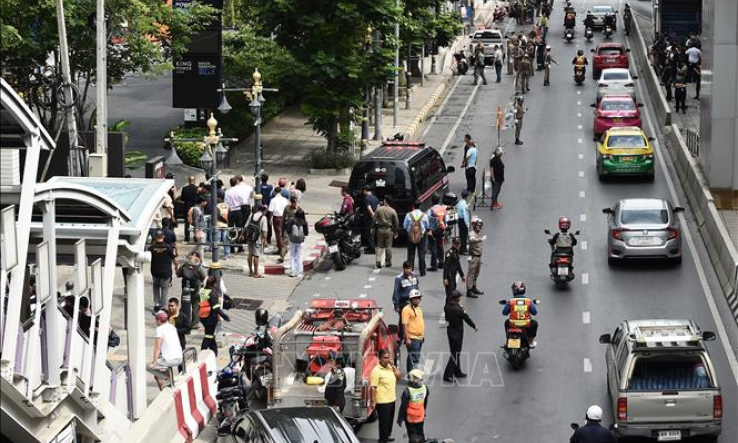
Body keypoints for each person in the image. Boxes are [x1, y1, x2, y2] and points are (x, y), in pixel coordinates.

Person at [443, 290, 478, 383]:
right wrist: (474, 326)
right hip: (457, 333)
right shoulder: (458, 309)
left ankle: (457, 371)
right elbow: (466, 318)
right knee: (455, 354)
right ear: (457, 298)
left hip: (450, 331)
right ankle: (447, 374)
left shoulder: (447, 307)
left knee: (455, 352)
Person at [371, 349, 401, 443]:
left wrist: (393, 366)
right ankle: (382, 439)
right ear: (380, 358)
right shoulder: (376, 370)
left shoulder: (390, 367)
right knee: (384, 422)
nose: (387, 359)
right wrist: (373, 402)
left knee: (389, 421)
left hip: (392, 399)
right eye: (385, 357)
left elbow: (399, 377)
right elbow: (373, 388)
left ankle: (386, 436)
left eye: (388, 357)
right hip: (383, 401)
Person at [148, 310, 183, 390]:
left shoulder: (160, 329)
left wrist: (154, 362)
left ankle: (167, 379)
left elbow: (157, 347)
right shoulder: (172, 327)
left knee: (148, 366)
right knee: (157, 374)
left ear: (158, 320)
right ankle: (166, 381)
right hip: (179, 358)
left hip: (170, 360)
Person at [198, 275, 230, 355]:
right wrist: (225, 316)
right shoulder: (211, 293)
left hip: (202, 316)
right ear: (214, 284)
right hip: (210, 317)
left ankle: (214, 352)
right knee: (208, 336)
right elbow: (216, 308)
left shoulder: (201, 290)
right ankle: (202, 352)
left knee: (211, 335)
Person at [502, 281, 539, 348]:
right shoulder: (529, 301)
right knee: (534, 323)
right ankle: (530, 342)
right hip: (526, 324)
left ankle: (507, 341)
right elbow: (534, 312)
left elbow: (504, 313)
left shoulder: (510, 301)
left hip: (513, 324)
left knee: (506, 322)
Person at [176, 251, 207, 329]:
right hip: (196, 289)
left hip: (185, 288)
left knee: (184, 305)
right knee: (195, 306)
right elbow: (204, 278)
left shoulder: (184, 266)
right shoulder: (199, 268)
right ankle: (195, 323)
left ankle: (182, 321)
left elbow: (178, 274)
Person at [397, 368, 429, 442]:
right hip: (420, 417)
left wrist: (400, 419)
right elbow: (425, 402)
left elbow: (403, 407)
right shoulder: (425, 389)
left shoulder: (407, 391)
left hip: (410, 418)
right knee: (420, 433)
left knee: (412, 436)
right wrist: (424, 412)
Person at [393, 261, 420, 342]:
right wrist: (396, 306)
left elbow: (417, 288)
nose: (409, 271)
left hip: (413, 302)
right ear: (404, 269)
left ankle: (409, 336)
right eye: (407, 269)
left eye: (410, 269)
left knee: (412, 320)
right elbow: (396, 292)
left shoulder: (415, 276)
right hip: (403, 303)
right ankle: (399, 338)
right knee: (403, 321)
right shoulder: (399, 279)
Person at [150, 230, 176, 311]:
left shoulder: (151, 248)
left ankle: (156, 304)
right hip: (166, 272)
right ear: (163, 237)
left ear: (155, 237)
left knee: (156, 287)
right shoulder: (168, 247)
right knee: (164, 289)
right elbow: (173, 258)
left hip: (155, 271)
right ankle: (163, 306)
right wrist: (176, 266)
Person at [401, 289, 425, 374]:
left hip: (419, 338)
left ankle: (411, 375)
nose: (417, 299)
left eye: (418, 298)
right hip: (412, 338)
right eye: (415, 298)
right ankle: (413, 377)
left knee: (414, 358)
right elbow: (404, 324)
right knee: (414, 358)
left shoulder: (418, 308)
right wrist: (407, 338)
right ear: (411, 299)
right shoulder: (406, 309)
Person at [404, 200, 429, 276]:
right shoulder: (424, 215)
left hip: (410, 236)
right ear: (420, 206)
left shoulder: (409, 215)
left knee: (411, 254)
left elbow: (404, 226)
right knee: (421, 254)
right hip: (421, 236)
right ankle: (422, 272)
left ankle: (409, 272)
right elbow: (427, 226)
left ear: (413, 206)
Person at [374, 195, 399, 268]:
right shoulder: (392, 210)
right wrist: (395, 230)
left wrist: (373, 227)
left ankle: (378, 261)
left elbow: (374, 219)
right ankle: (388, 262)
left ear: (385, 201)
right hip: (389, 229)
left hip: (380, 229)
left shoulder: (379, 209)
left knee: (379, 246)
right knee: (388, 246)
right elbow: (396, 222)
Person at [284, 208, 309, 278]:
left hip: (292, 240)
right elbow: (306, 233)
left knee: (292, 255)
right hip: (300, 242)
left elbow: (288, 230)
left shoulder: (292, 220)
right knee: (299, 257)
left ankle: (292, 271)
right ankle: (299, 273)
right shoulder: (304, 222)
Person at [465, 217, 486, 298]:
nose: (480, 227)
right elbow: (472, 239)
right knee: (471, 274)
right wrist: (480, 239)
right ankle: (469, 291)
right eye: (478, 225)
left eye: (481, 226)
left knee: (476, 273)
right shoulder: (472, 234)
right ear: (474, 225)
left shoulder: (478, 233)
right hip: (473, 257)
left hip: (478, 257)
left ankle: (474, 287)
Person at [246, 205, 269, 278]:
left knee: (250, 254)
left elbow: (246, 226)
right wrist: (265, 240)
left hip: (250, 237)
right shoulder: (263, 218)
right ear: (264, 211)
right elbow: (264, 231)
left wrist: (242, 235)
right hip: (257, 239)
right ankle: (256, 273)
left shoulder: (252, 215)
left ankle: (250, 271)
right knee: (256, 255)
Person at [426, 194, 447, 271]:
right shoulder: (443, 209)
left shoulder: (430, 210)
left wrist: (428, 230)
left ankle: (434, 265)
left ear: (432, 201)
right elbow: (445, 219)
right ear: (439, 200)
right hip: (441, 229)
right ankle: (441, 262)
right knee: (440, 245)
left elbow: (427, 221)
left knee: (433, 247)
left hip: (434, 231)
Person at [225, 178, 245, 254]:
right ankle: (240, 246)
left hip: (231, 210)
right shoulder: (240, 191)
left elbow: (226, 202)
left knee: (231, 229)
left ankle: (232, 247)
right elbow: (242, 201)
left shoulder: (228, 192)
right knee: (239, 228)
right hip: (238, 210)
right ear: (236, 183)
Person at [268, 186, 289, 259]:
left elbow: (270, 211)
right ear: (281, 192)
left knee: (278, 234)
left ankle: (281, 249)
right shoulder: (285, 200)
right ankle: (282, 248)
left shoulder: (273, 200)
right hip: (284, 218)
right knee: (283, 234)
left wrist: (270, 219)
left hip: (276, 218)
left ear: (274, 192)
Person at [443, 238, 465, 302]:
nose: (457, 245)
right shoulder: (449, 253)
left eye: (458, 244)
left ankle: (452, 307)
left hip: (453, 275)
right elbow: (446, 266)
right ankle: (447, 309)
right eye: (456, 244)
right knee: (450, 294)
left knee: (453, 292)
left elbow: (458, 264)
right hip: (449, 276)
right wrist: (445, 278)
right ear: (452, 244)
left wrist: (462, 275)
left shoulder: (456, 252)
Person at [181, 176, 200, 243]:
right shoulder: (197, 188)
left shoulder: (184, 188)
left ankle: (187, 238)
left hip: (187, 207)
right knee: (196, 222)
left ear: (188, 181)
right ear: (194, 180)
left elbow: (182, 198)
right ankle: (196, 237)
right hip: (195, 207)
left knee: (187, 223)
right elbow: (199, 198)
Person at [362, 185, 379, 254]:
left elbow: (369, 209)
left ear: (365, 190)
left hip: (369, 219)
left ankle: (372, 249)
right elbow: (378, 208)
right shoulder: (376, 198)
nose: (363, 192)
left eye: (363, 191)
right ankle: (369, 247)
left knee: (369, 234)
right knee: (372, 233)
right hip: (374, 219)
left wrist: (373, 216)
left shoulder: (366, 198)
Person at [456, 190, 471, 254]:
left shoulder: (459, 203)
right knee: (464, 236)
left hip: (459, 220)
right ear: (466, 197)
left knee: (461, 235)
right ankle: (463, 250)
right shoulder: (464, 204)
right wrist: (467, 224)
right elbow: (465, 215)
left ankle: (461, 249)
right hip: (463, 221)